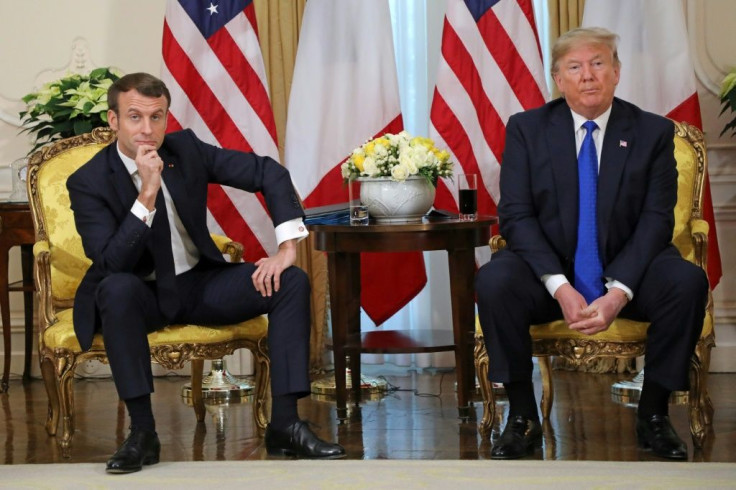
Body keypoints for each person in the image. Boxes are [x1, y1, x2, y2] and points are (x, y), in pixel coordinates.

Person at [67, 72, 346, 474]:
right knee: (115, 289)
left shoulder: (185, 149)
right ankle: (143, 433)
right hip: (140, 293)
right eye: (134, 117)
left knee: (291, 281)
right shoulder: (89, 180)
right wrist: (146, 193)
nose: (148, 129)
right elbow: (111, 263)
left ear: (166, 118)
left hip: (199, 284)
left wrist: (286, 249)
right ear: (113, 121)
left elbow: (268, 171)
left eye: (157, 117)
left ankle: (285, 424)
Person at [476, 27, 708, 461]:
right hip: (549, 272)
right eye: (575, 67)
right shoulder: (527, 129)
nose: (588, 76)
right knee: (495, 281)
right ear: (558, 79)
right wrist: (561, 287)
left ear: (616, 73)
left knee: (686, 281)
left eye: (598, 63)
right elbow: (517, 216)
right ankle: (522, 415)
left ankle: (654, 414)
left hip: (628, 268)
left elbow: (657, 220)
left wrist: (618, 293)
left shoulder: (652, 132)